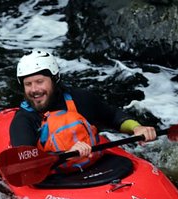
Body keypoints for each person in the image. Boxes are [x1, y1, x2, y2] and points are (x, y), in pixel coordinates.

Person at [9, 49, 157, 173]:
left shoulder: (80, 99)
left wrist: (136, 128)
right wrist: (65, 156)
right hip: (55, 179)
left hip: (95, 167)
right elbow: (26, 166)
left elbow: (112, 116)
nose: (34, 90)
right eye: (28, 84)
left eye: (40, 81)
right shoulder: (23, 120)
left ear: (54, 79)